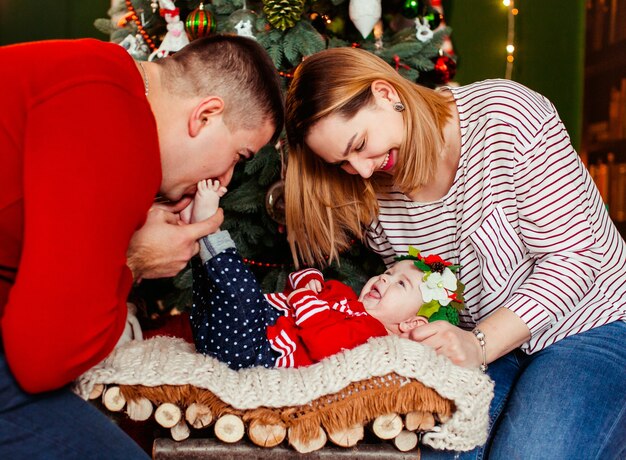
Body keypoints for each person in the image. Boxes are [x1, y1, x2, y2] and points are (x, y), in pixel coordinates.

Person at [283, 47, 626, 458]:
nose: (363, 170)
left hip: (592, 324)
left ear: (385, 92)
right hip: (480, 341)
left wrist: (480, 345)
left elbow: (575, 259)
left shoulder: (506, 115)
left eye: (360, 144)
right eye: (342, 163)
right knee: (442, 449)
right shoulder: (370, 186)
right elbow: (423, 289)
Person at [0, 35, 283, 459]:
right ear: (206, 115)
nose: (225, 181)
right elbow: (44, 361)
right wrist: (134, 259)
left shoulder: (104, 74)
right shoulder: (121, 127)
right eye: (239, 157)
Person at [187, 180, 464, 369]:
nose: (383, 278)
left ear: (412, 323)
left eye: (400, 284)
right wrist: (311, 281)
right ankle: (195, 238)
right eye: (389, 272)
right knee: (211, 287)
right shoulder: (349, 301)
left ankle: (207, 229)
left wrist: (306, 299)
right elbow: (304, 287)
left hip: (255, 350)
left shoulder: (373, 336)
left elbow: (324, 344)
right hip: (229, 329)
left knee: (242, 291)